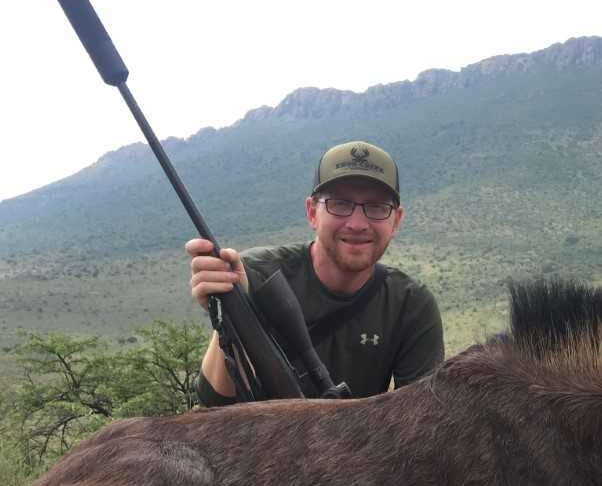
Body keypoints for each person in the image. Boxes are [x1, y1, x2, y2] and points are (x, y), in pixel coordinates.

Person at [187, 140, 444, 403]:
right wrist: (231, 315)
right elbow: (215, 402)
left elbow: (421, 418)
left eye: (377, 207)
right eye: (340, 204)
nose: (357, 224)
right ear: (312, 212)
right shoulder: (255, 275)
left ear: (396, 220)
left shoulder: (411, 304)